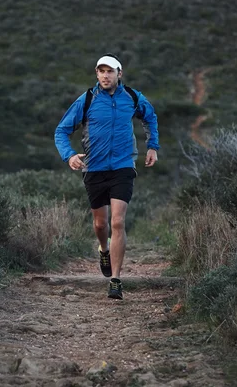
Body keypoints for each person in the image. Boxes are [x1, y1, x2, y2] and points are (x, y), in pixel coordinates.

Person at [54, 53, 160, 300]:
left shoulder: (132, 98)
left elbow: (150, 117)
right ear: (96, 74)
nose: (105, 75)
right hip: (94, 168)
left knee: (118, 222)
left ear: (119, 74)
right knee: (101, 225)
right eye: (101, 71)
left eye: (110, 71)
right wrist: (69, 155)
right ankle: (103, 248)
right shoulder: (87, 100)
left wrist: (152, 146)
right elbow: (61, 130)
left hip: (123, 167)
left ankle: (115, 280)